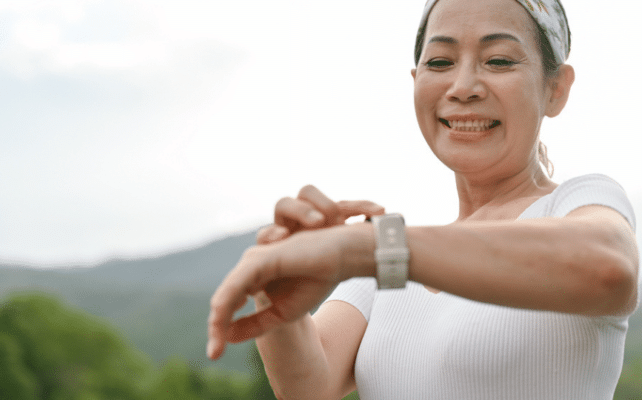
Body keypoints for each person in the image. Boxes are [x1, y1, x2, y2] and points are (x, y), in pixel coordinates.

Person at [207, 0, 640, 398]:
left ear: (556, 89)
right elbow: (309, 386)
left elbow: (608, 269)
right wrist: (278, 294)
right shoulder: (391, 258)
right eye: (440, 62)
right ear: (417, 83)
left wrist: (369, 248)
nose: (464, 86)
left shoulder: (578, 201)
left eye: (499, 60)